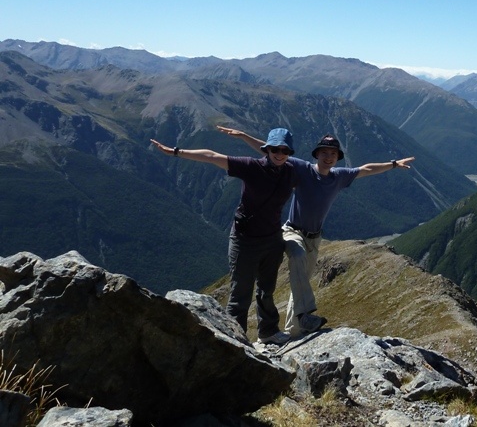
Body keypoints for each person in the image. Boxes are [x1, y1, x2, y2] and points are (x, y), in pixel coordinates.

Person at [216, 125, 415, 337]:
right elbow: (272, 150)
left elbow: (366, 169)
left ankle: (294, 331)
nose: (328, 157)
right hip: (293, 231)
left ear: (337, 157)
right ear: (316, 155)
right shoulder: (302, 169)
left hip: (315, 238)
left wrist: (393, 164)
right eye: (324, 153)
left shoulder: (339, 177)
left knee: (301, 281)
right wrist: (244, 136)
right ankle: (305, 315)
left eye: (333, 154)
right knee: (298, 256)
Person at [150, 128, 297, 346]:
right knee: (240, 295)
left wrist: (245, 136)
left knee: (267, 290)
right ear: (267, 149)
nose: (279, 153)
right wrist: (176, 152)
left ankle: (268, 332)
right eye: (275, 149)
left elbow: (321, 170)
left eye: (284, 150)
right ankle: (235, 342)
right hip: (245, 240)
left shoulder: (291, 170)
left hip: (272, 239)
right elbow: (211, 156)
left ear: (289, 152)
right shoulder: (251, 167)